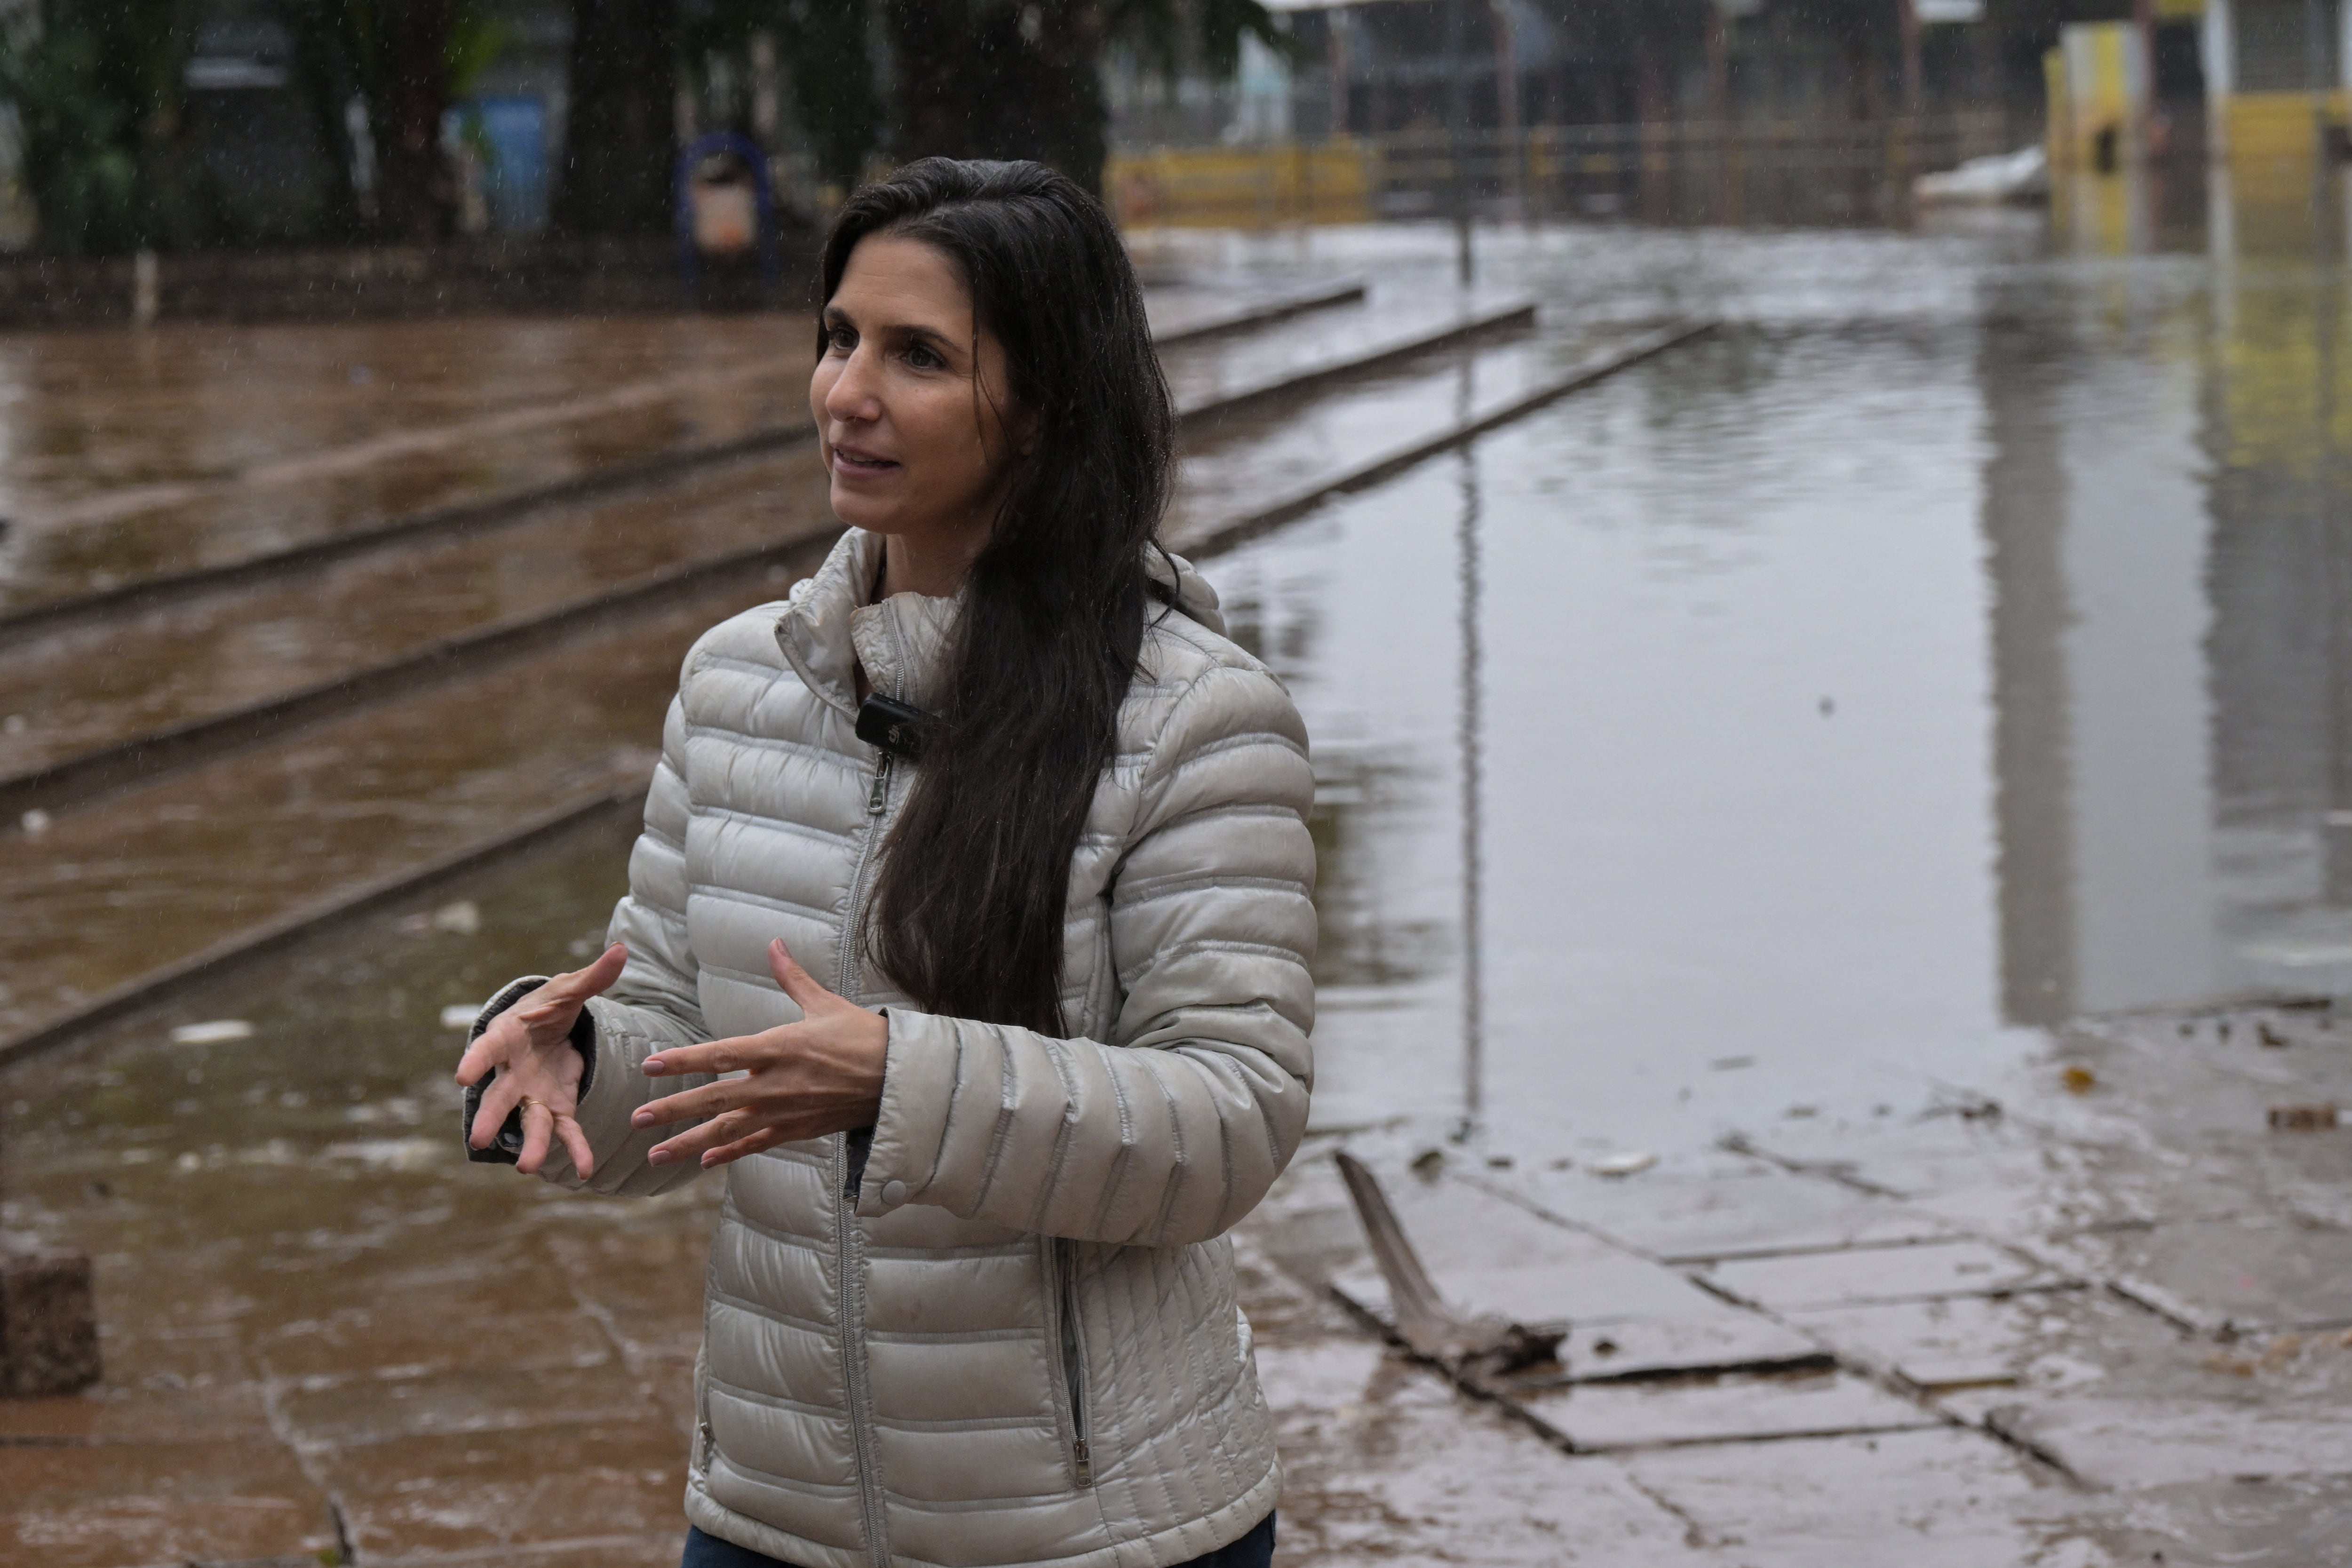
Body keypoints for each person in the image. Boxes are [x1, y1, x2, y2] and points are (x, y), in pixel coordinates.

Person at [453, 158, 1316, 1568]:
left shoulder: (1194, 722)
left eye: (919, 356)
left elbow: (1227, 1125)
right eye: (840, 337)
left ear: (1041, 410)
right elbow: (676, 1030)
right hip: (772, 1512)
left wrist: (899, 1080)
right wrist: (570, 1065)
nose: (848, 392)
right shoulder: (736, 683)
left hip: (1097, 1532)